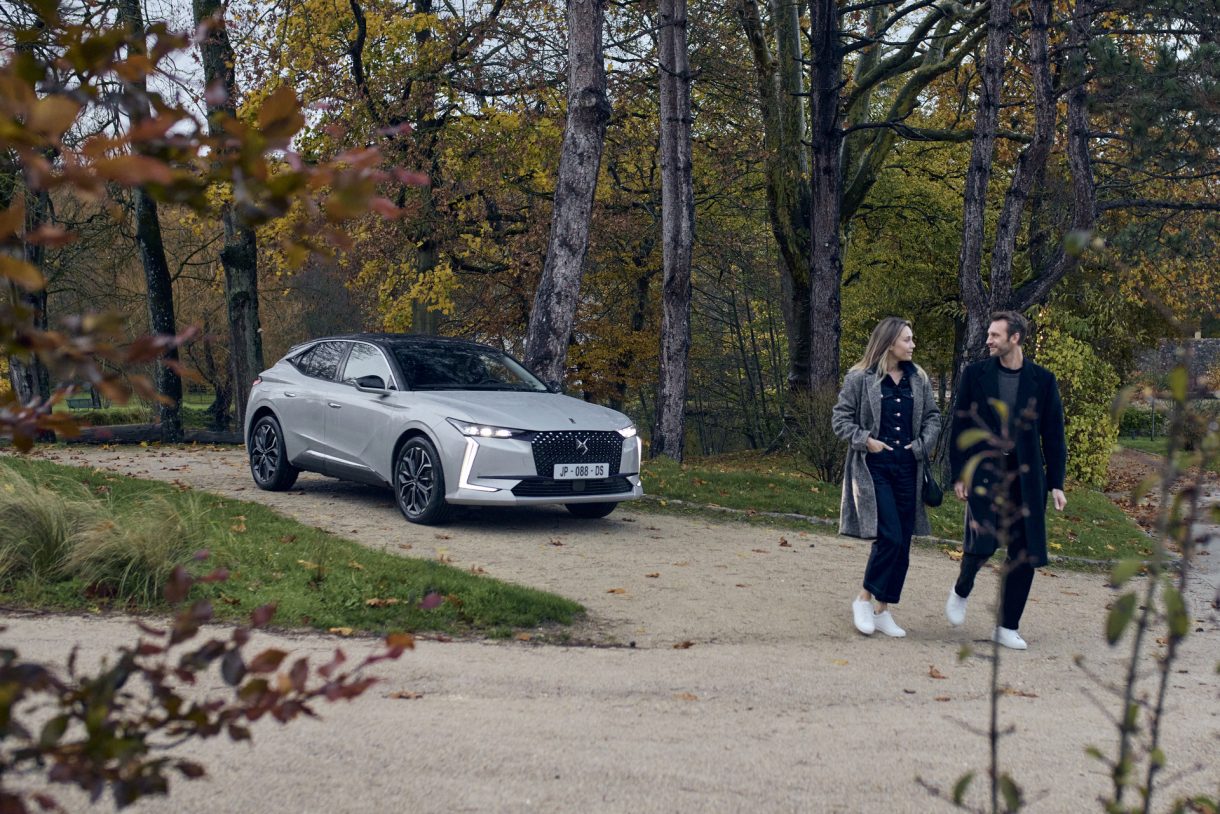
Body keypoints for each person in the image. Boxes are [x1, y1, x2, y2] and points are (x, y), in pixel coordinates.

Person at [944, 311, 1067, 650]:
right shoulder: (976, 375)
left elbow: (1053, 434)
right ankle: (962, 588)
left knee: (1023, 553)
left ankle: (1007, 626)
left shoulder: (1043, 380)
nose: (988, 340)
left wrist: (1056, 483)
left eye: (995, 335)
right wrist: (959, 474)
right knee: (983, 542)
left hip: (1026, 479)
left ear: (1015, 338)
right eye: (989, 334)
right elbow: (960, 426)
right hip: (984, 472)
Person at [832, 317, 942, 637]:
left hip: (908, 470)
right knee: (890, 536)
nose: (912, 344)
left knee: (903, 542)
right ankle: (863, 599)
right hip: (873, 470)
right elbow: (840, 420)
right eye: (907, 339)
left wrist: (921, 445)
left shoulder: (918, 378)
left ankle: (883, 610)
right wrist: (865, 440)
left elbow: (933, 418)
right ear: (889, 342)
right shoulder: (859, 378)